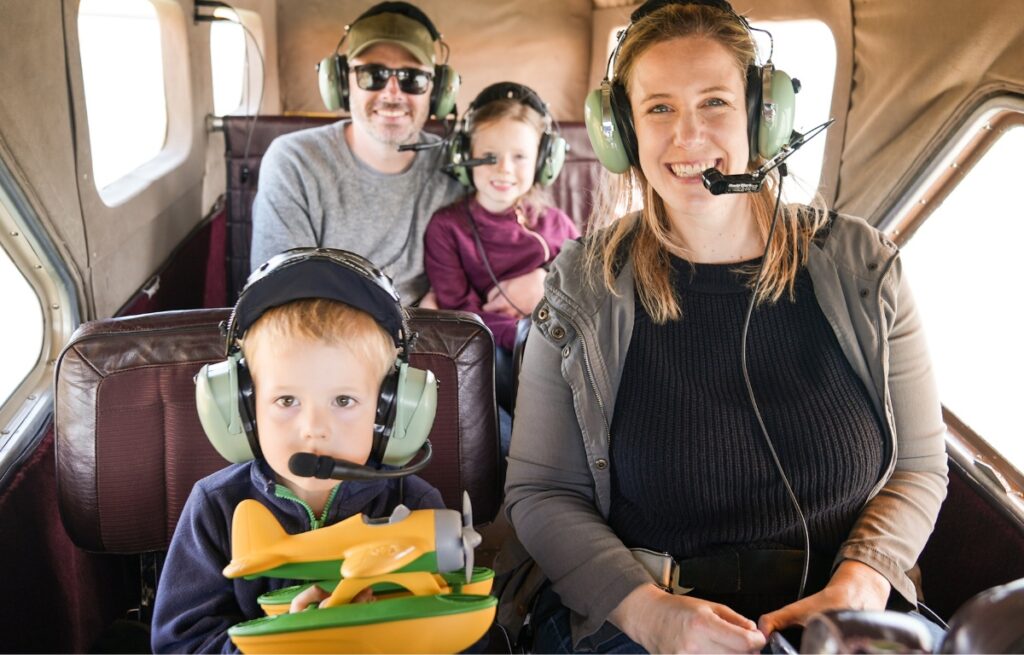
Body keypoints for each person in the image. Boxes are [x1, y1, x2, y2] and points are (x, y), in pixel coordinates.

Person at [503, 1, 949, 653]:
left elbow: (918, 465)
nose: (688, 136)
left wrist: (864, 578)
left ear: (762, 119)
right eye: (658, 108)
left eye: (714, 102)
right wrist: (651, 614)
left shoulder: (864, 267)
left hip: (841, 614)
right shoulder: (582, 286)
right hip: (647, 619)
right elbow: (541, 493)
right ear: (620, 130)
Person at [151, 249, 444, 653]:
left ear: (388, 410)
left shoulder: (415, 506)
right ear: (243, 407)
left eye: (343, 401)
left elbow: (459, 636)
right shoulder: (216, 507)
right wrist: (286, 645)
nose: (314, 429)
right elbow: (179, 644)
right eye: (287, 401)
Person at [249, 1, 462, 304]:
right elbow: (282, 304)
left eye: (412, 79)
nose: (391, 94)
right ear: (341, 83)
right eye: (371, 74)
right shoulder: (294, 161)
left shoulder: (457, 166)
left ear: (438, 90)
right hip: (320, 342)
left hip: (430, 341)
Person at [424, 82, 578, 413]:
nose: (504, 168)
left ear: (543, 161)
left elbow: (583, 289)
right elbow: (458, 314)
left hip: (553, 349)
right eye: (488, 156)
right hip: (490, 352)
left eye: (520, 156)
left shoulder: (554, 224)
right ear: (465, 157)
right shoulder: (446, 228)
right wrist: (522, 335)